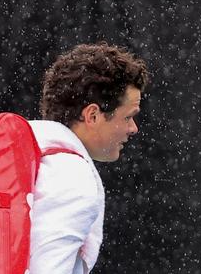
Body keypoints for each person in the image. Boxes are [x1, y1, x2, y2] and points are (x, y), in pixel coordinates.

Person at [28, 42, 149, 274]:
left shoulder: (17, 155)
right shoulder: (71, 178)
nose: (133, 129)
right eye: (128, 117)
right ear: (92, 115)